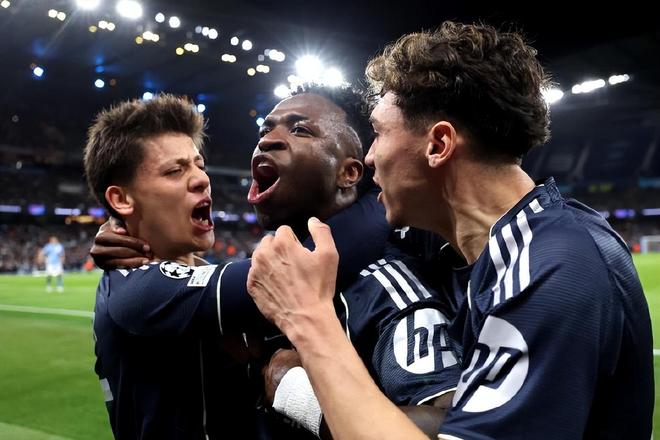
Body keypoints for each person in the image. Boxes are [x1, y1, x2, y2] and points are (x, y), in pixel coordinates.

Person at [245, 21, 654, 439]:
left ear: (438, 145)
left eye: (379, 133)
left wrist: (308, 323)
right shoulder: (500, 253)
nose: (369, 158)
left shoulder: (549, 268)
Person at [87, 87, 458, 439]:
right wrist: (382, 203)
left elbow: (456, 426)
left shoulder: (384, 288)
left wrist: (298, 394)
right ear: (121, 200)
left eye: (199, 165)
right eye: (174, 171)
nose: (201, 179)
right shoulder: (137, 289)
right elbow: (274, 277)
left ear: (350, 172)